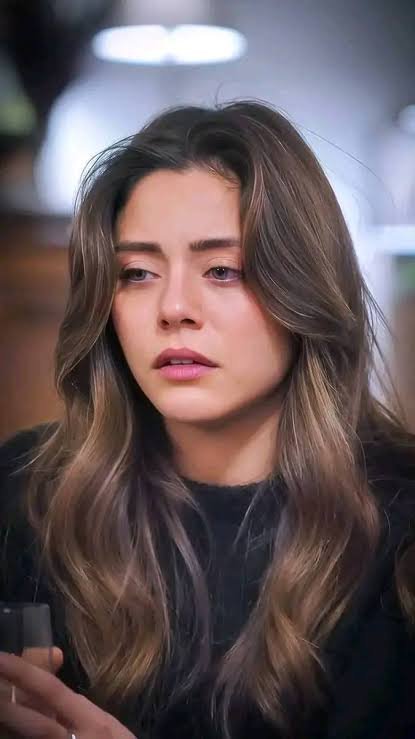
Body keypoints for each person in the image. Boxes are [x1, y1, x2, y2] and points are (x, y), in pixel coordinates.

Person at [0, 100, 414, 739]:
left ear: (302, 287)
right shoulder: (23, 493)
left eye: (222, 270)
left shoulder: (401, 522)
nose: (173, 308)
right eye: (137, 273)